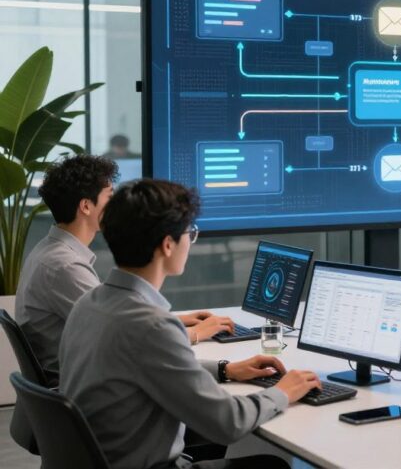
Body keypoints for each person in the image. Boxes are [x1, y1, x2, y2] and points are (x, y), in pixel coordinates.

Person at [59, 179, 322, 469]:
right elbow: (228, 423)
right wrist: (283, 391)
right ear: (168, 244)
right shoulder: (151, 326)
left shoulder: (90, 303)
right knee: (272, 466)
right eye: (190, 233)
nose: (191, 241)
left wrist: (226, 370)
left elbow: (151, 369)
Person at [16, 155, 229, 382]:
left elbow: (119, 319)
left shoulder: (50, 250)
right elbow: (128, 337)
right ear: (86, 206)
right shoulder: (65, 266)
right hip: (85, 383)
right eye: (110, 196)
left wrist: (179, 319)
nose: (117, 203)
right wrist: (199, 333)